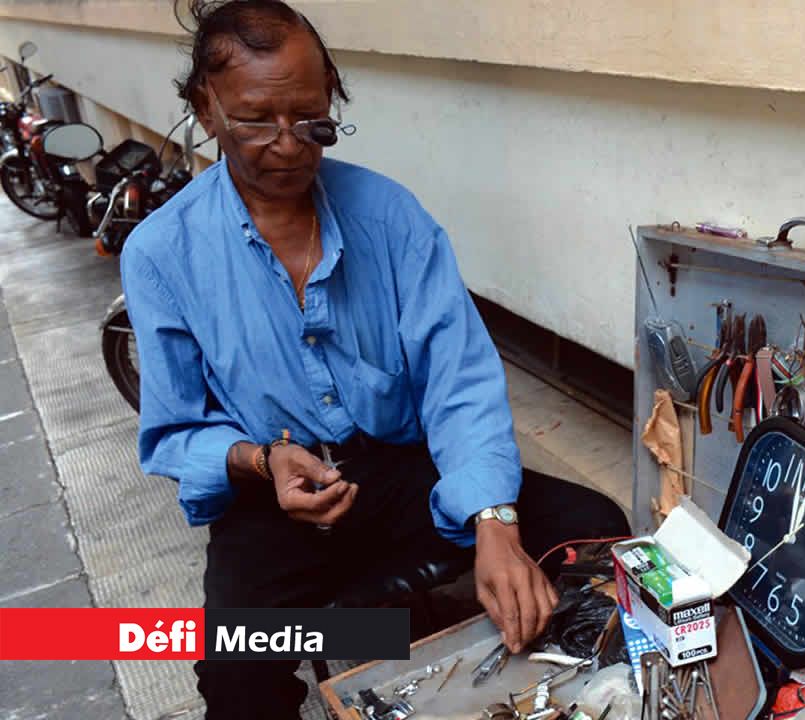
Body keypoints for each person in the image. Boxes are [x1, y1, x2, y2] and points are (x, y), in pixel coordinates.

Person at [121, 2, 629, 717]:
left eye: (311, 117)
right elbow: (174, 431)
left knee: (594, 527)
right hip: (275, 501)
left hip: (398, 468)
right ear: (206, 109)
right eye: (257, 119)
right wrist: (260, 461)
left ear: (331, 95)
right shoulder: (160, 253)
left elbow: (458, 383)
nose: (290, 144)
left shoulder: (389, 215)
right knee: (236, 674)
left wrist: (494, 520)